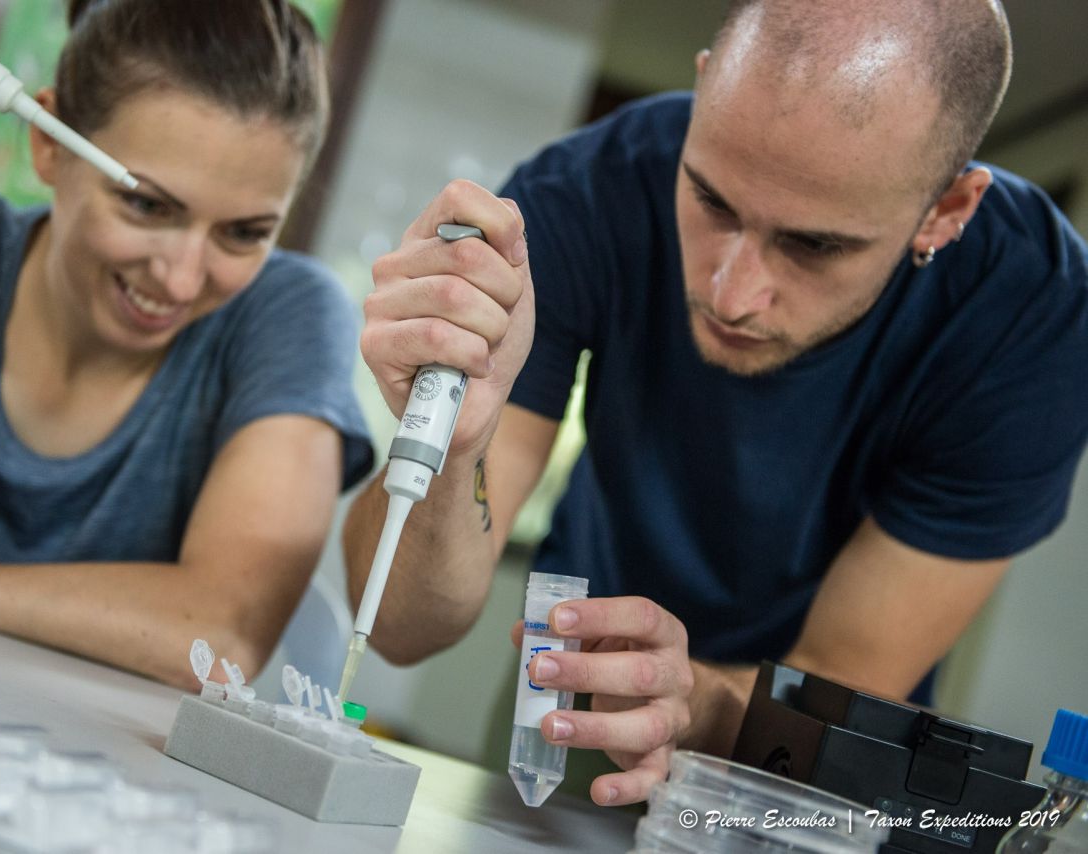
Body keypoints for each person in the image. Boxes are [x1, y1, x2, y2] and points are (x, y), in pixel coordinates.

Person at [345, 0, 1088, 806]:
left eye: (813, 245)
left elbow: (832, 693)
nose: (731, 294)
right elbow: (398, 628)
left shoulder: (1033, 312)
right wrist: (458, 452)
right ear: (703, 93)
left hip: (812, 765)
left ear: (946, 210)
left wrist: (690, 699)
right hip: (578, 710)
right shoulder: (587, 191)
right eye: (711, 202)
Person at [0, 0, 372, 688]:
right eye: (146, 205)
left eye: (245, 233)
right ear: (48, 144)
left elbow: (218, 638)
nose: (183, 277)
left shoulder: (287, 312)